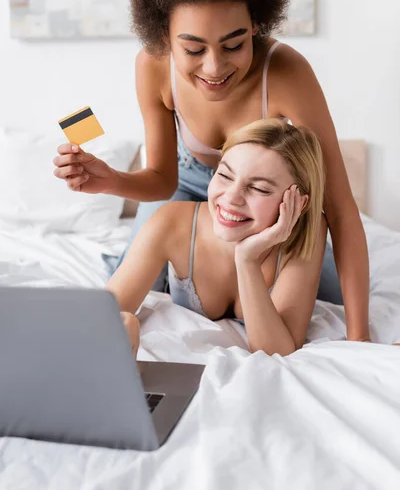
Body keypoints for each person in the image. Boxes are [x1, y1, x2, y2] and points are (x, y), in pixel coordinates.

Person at [53, 0, 370, 342]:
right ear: (164, 37)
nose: (215, 67)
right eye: (194, 48)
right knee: (145, 269)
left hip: (268, 197)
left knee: (328, 289)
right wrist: (110, 180)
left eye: (234, 43)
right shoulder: (152, 67)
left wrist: (359, 337)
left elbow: (338, 205)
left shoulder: (286, 72)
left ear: (257, 24)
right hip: (183, 186)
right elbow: (163, 181)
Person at [109, 119, 327, 357]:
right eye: (224, 175)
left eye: (259, 188)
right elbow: (101, 317)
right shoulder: (171, 221)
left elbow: (277, 351)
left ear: (299, 203)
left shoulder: (308, 235)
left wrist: (247, 260)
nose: (232, 198)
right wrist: (125, 321)